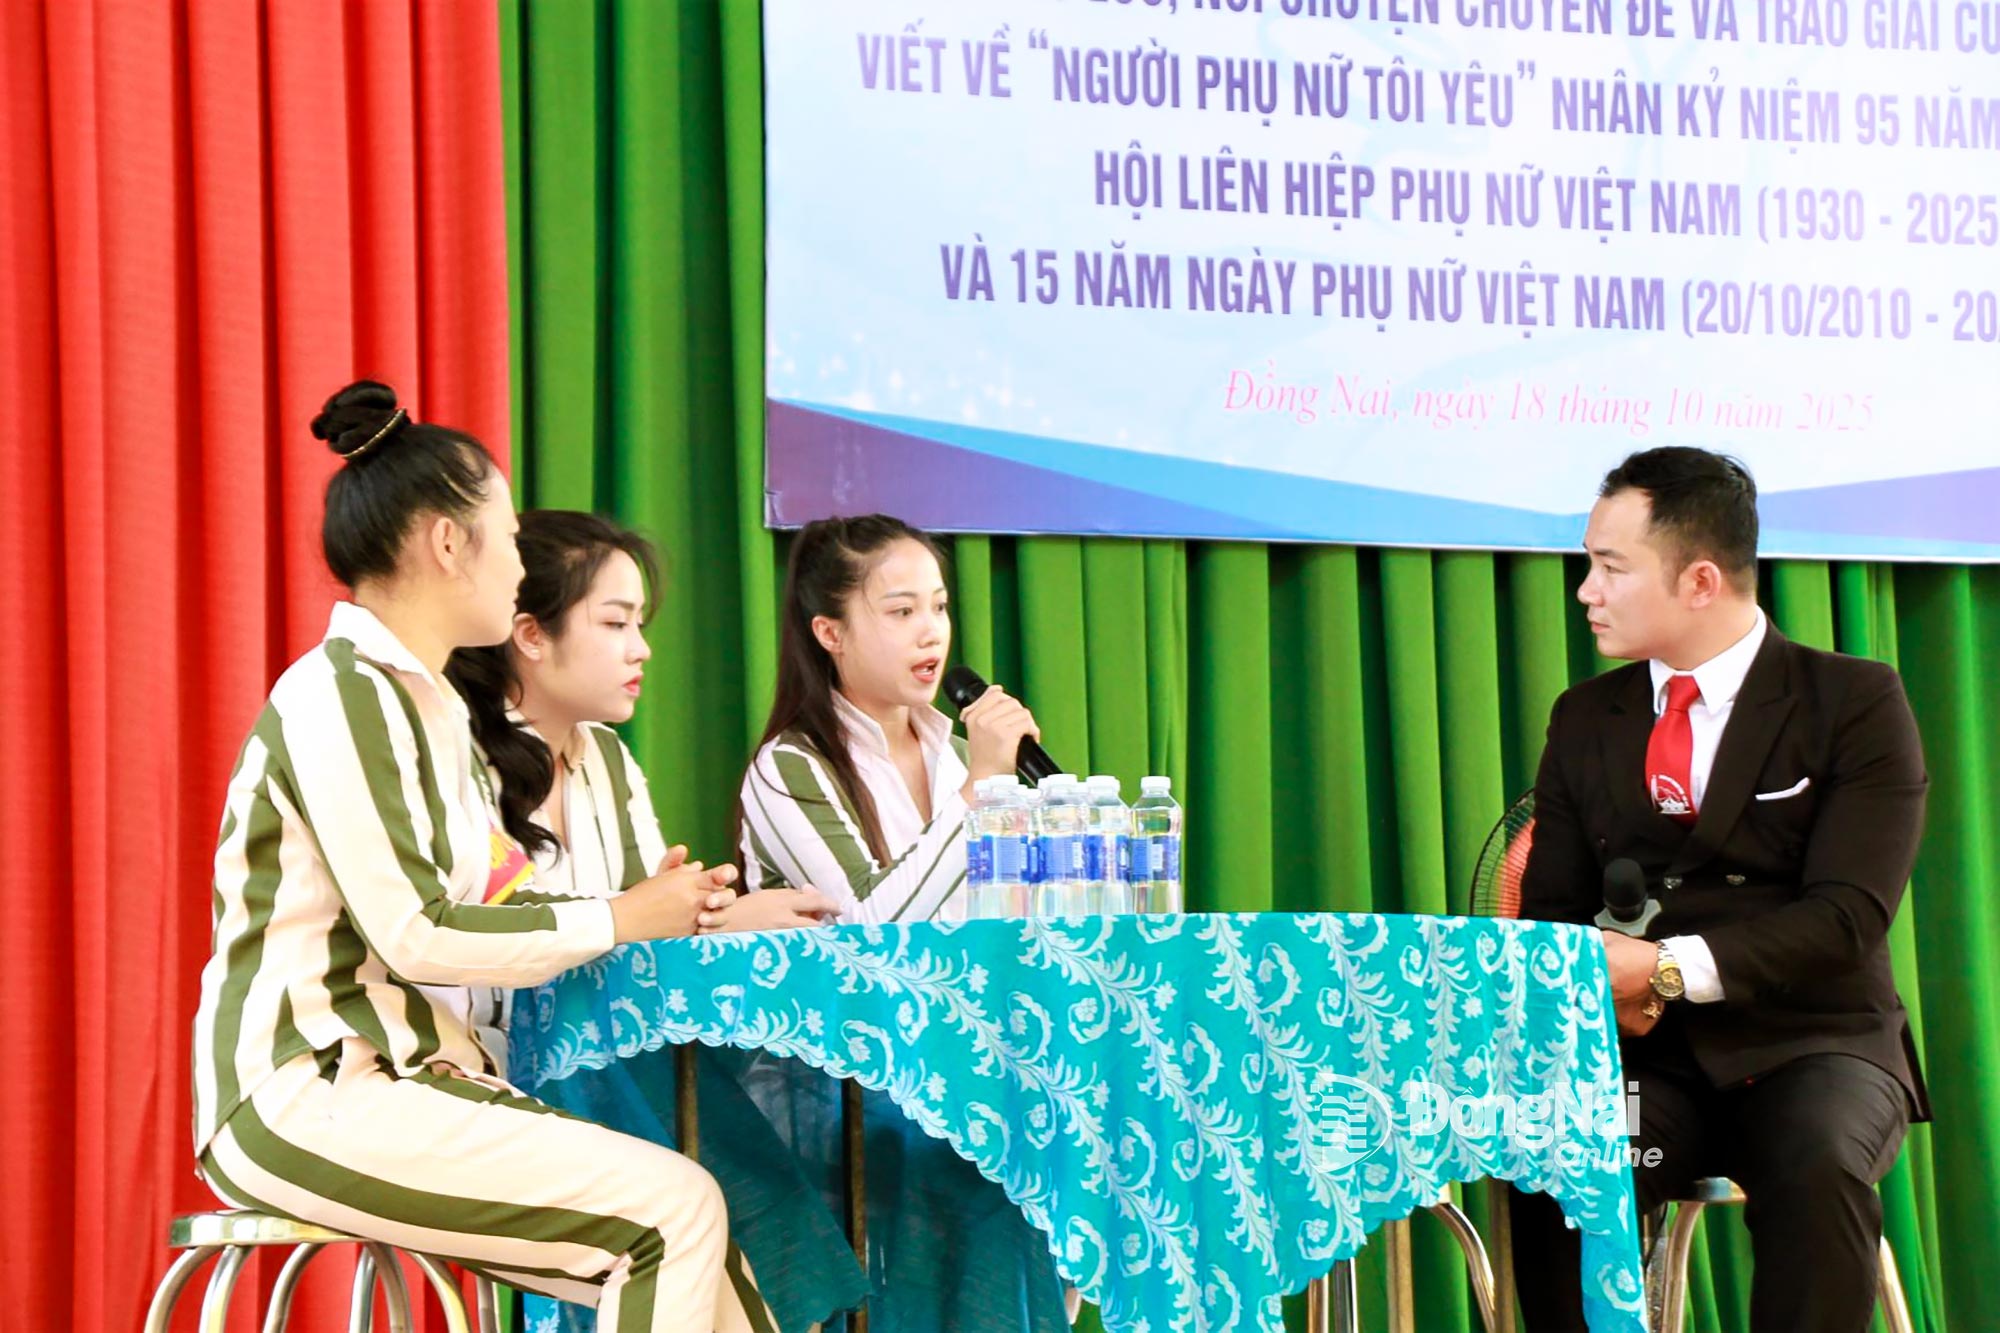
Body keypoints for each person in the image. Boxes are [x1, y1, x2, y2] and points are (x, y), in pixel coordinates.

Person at [191, 382, 739, 1332]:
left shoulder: (433, 708)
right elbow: (417, 932)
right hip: (308, 1086)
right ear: (450, 543)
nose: (519, 566)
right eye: (510, 538)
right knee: (676, 1211)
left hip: (412, 1076)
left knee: (716, 1252)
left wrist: (650, 907)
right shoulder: (342, 692)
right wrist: (622, 915)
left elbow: (496, 894)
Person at [1511, 446, 1928, 1332]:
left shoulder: (1853, 701)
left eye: (1611, 567)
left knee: (1817, 1162)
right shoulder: (1584, 717)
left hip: (1814, 1042)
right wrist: (1604, 989)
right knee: (1560, 1160)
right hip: (1648, 1060)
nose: (1586, 591)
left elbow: (1846, 918)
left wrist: (1661, 967)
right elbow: (1551, 915)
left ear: (1700, 580)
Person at [735, 514, 1042, 922]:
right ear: (831, 634)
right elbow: (865, 924)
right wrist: (979, 788)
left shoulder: (962, 757)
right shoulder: (789, 766)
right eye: (903, 611)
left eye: (939, 607)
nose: (932, 632)